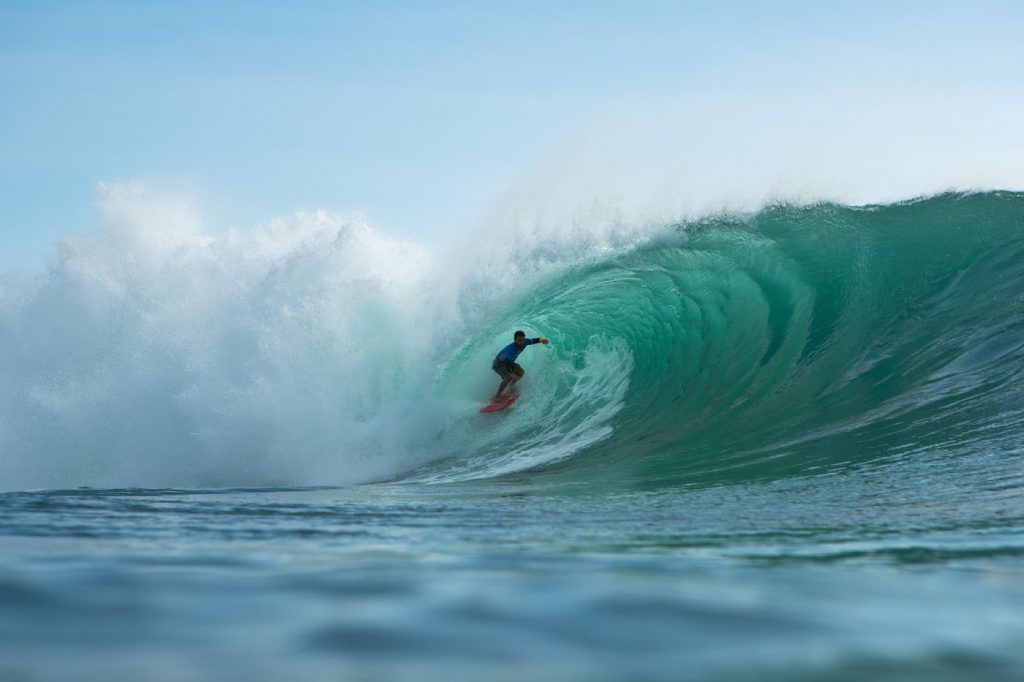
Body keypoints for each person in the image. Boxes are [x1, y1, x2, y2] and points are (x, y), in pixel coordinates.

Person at [491, 330, 549, 400]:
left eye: (523, 340)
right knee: (509, 377)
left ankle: (511, 387)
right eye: (519, 340)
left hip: (508, 362)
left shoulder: (525, 342)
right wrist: (511, 373)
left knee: (521, 372)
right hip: (499, 364)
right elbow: (505, 362)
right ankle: (497, 395)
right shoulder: (511, 349)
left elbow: (535, 340)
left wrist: (542, 340)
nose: (522, 342)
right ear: (515, 340)